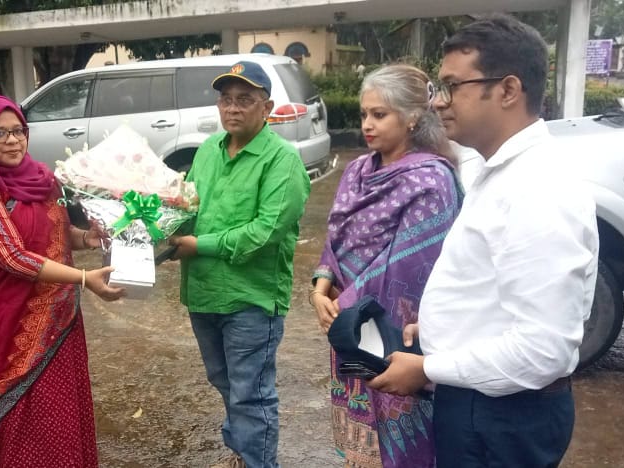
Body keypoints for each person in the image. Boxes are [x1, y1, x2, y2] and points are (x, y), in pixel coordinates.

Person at [368, 15, 599, 468]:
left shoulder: (538, 188)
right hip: (480, 400)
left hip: (501, 414)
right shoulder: (495, 170)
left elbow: (542, 350)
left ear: (508, 90)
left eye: (454, 86)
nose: (439, 101)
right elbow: (495, 286)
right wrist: (443, 330)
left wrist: (428, 368)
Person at [0, 94, 125, 466]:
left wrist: (88, 238)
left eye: (18, 131)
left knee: (62, 417)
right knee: (25, 422)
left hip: (59, 321)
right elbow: (12, 257)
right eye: (0, 133)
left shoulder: (42, 178)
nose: (12, 141)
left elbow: (55, 234)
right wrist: (84, 278)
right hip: (7, 326)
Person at [309, 64, 461, 468]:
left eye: (379, 114)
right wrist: (320, 287)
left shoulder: (431, 180)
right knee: (358, 436)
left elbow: (407, 265)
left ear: (411, 117)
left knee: (400, 437)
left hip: (394, 333)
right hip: (346, 328)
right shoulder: (357, 171)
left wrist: (347, 303)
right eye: (364, 114)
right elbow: (336, 237)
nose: (367, 125)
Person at [169, 61, 311, 468]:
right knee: (225, 381)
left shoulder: (282, 160)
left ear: (266, 108)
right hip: (204, 293)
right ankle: (242, 453)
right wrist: (153, 231)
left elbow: (265, 232)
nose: (232, 108)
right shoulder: (208, 151)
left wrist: (198, 245)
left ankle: (257, 461)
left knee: (251, 393)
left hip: (251, 299)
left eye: (244, 100)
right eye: (226, 99)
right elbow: (187, 207)